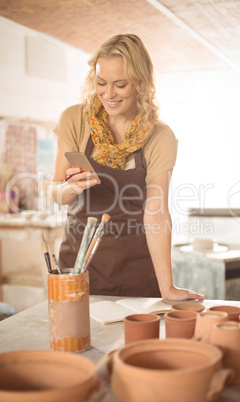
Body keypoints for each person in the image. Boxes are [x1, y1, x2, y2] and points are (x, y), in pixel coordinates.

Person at [52, 33, 204, 301]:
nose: (108, 94)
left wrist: (167, 288)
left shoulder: (159, 136)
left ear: (141, 83)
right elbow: (56, 194)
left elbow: (156, 215)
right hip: (77, 267)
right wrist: (69, 188)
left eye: (120, 85)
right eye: (101, 83)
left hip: (135, 272)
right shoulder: (75, 120)